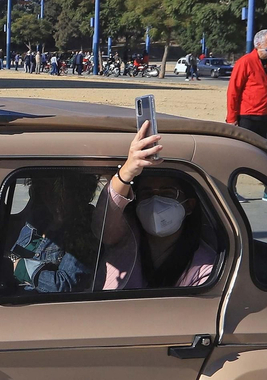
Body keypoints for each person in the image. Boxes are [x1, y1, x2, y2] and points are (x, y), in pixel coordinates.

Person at [93, 122, 218, 291]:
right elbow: (105, 219)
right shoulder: (124, 239)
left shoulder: (204, 265)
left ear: (189, 206)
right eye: (146, 193)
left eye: (167, 193)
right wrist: (127, 172)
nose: (155, 200)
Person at [2, 174, 95, 293]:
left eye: (54, 192)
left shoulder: (85, 229)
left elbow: (65, 284)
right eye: (42, 189)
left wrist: (20, 267)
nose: (46, 196)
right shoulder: (38, 216)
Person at [227, 28, 267, 140]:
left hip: (265, 116)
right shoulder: (245, 62)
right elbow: (233, 91)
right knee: (247, 152)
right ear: (259, 44)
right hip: (247, 117)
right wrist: (231, 118)